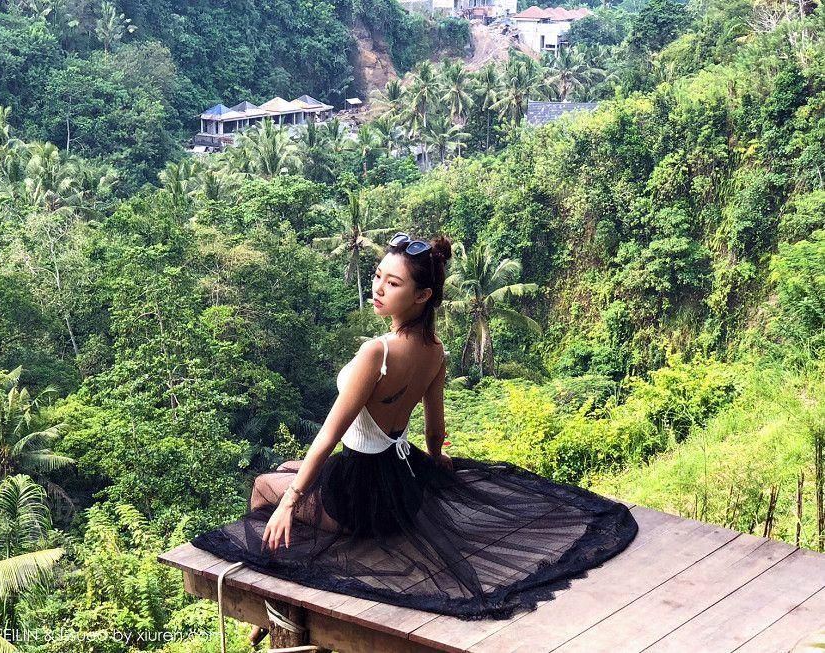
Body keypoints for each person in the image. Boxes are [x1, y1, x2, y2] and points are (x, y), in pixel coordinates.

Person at [190, 232, 638, 632]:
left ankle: (273, 601)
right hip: (403, 490)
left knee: (265, 486)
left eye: (393, 283)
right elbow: (435, 431)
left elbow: (328, 437)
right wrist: (437, 461)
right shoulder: (435, 351)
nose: (378, 288)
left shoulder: (377, 352)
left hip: (359, 498)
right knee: (293, 468)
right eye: (378, 276)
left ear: (422, 295)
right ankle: (284, 571)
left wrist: (289, 503)